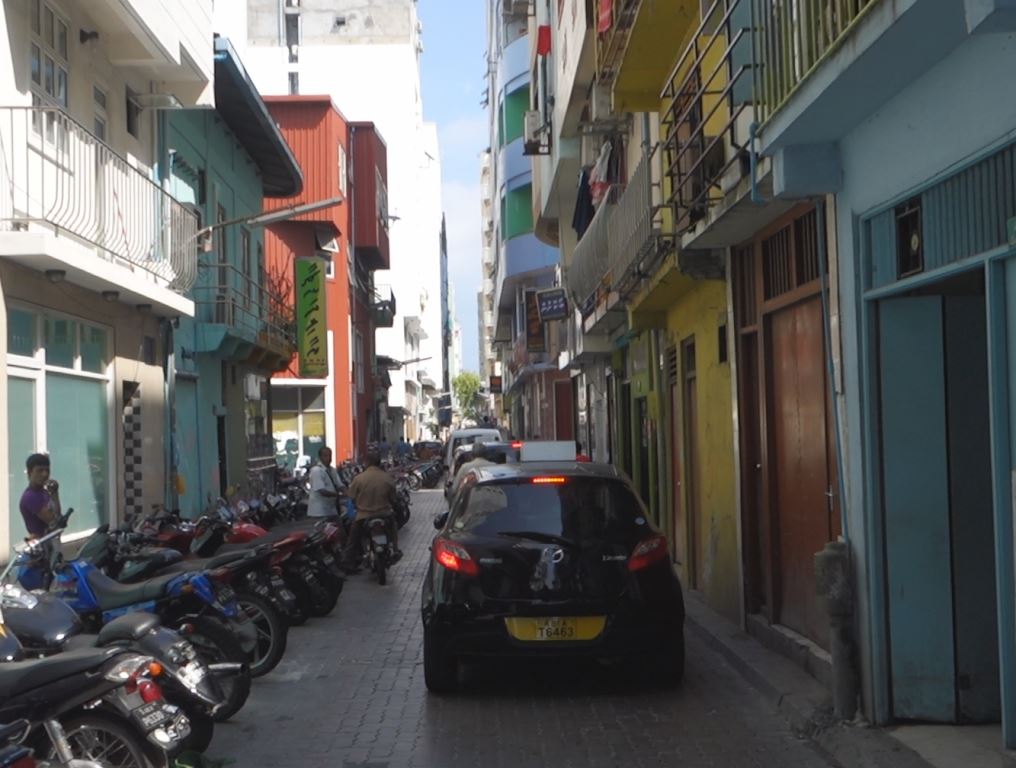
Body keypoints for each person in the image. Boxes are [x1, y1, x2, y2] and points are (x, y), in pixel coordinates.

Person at [343, 452, 400, 569]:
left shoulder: (358, 479)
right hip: (384, 514)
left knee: (353, 539)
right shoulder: (387, 478)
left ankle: (348, 561)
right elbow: (393, 498)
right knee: (393, 527)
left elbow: (352, 498)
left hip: (363, 516)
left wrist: (358, 505)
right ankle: (395, 549)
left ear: (366, 463)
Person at [20, 453, 60, 539]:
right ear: (30, 472)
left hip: (51, 545)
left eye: (47, 470)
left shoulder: (44, 492)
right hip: (42, 548)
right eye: (40, 470)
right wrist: (54, 495)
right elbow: (55, 523)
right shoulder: (31, 496)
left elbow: (58, 519)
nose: (45, 474)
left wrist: (55, 493)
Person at [307, 446, 345, 519]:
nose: (328, 458)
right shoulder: (316, 471)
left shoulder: (332, 470)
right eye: (325, 456)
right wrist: (338, 495)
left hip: (331, 508)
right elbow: (322, 491)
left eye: (330, 456)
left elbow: (339, 485)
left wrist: (346, 492)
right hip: (320, 510)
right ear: (320, 457)